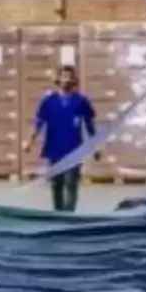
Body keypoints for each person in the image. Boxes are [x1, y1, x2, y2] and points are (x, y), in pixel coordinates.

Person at [23, 64, 97, 212]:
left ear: (74, 79)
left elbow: (89, 125)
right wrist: (29, 141)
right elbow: (39, 122)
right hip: (54, 149)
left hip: (74, 150)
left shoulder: (81, 101)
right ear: (57, 79)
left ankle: (69, 215)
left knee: (71, 184)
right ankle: (57, 213)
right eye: (63, 76)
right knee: (57, 184)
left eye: (70, 76)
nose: (66, 79)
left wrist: (95, 146)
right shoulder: (48, 101)